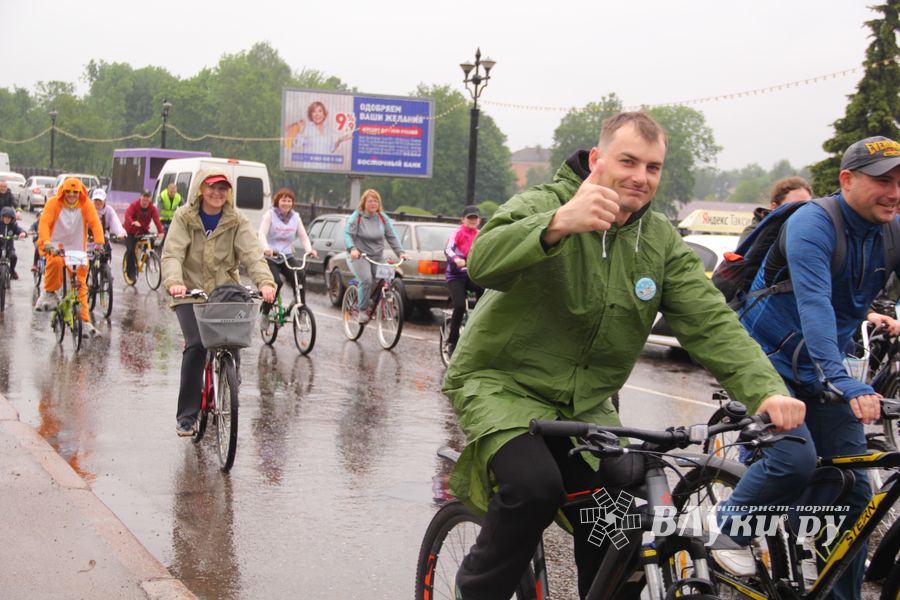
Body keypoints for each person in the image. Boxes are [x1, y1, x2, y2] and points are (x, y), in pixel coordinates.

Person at [443, 112, 805, 600]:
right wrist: (555, 225)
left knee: (617, 517)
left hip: (585, 406)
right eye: (628, 161)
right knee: (534, 488)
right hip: (502, 385)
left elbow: (711, 322)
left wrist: (766, 389)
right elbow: (483, 261)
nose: (640, 176)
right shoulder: (547, 202)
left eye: (652, 167)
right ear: (598, 159)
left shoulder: (658, 241)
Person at [717, 135, 900, 600]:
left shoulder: (892, 229)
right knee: (793, 458)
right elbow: (815, 304)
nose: (894, 192)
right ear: (847, 179)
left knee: (856, 490)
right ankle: (723, 535)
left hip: (822, 367)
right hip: (767, 361)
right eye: (883, 180)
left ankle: (821, 579)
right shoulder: (812, 223)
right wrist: (844, 381)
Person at [161, 170, 276, 436]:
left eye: (223, 188)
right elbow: (172, 254)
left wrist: (265, 283)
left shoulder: (236, 220)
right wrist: (175, 283)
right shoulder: (184, 217)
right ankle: (187, 416)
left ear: (229, 192)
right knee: (197, 345)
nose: (217, 193)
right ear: (201, 189)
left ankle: (228, 379)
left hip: (225, 293)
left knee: (232, 338)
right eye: (212, 187)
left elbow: (252, 254)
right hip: (191, 293)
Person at [34, 178, 105, 337]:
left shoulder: (86, 204)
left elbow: (95, 224)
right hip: (55, 244)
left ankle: (85, 322)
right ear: (63, 192)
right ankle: (49, 292)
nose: (72, 195)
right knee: (56, 261)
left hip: (77, 247)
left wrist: (99, 243)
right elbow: (44, 223)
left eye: (75, 192)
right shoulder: (53, 203)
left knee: (80, 284)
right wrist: (46, 242)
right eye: (68, 192)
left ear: (80, 192)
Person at [343, 189, 407, 323]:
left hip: (377, 256)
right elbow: (348, 234)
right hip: (360, 256)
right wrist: (352, 249)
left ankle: (375, 301)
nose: (373, 204)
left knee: (386, 277)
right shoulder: (357, 216)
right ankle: (361, 310)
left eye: (376, 201)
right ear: (364, 203)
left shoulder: (382, 218)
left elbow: (392, 236)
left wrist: (401, 252)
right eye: (370, 201)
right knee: (366, 279)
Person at [257, 187, 317, 317]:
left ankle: (300, 308)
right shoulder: (270, 215)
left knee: (300, 276)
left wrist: (309, 250)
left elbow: (303, 236)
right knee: (276, 283)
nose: (286, 203)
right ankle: (265, 313)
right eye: (283, 200)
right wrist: (266, 248)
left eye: (289, 201)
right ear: (277, 201)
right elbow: (261, 233)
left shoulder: (295, 217)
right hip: (271, 256)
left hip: (286, 255)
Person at [443, 204, 484, 356]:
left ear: (479, 220)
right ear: (463, 219)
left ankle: (477, 329)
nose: (473, 220)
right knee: (459, 306)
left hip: (472, 274)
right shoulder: (457, 233)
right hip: (456, 276)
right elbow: (448, 249)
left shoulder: (480, 234)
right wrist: (456, 259)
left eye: (476, 218)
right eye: (470, 218)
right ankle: (452, 341)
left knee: (484, 295)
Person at [738, 176, 813, 243]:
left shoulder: (814, 231)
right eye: (793, 206)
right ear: (774, 207)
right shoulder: (753, 233)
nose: (801, 211)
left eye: (806, 206)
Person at [123, 189, 164, 283]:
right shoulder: (134, 205)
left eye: (147, 197)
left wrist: (160, 231)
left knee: (152, 239)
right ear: (140, 197)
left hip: (143, 230)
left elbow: (157, 219)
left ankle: (146, 257)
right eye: (144, 196)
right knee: (130, 251)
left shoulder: (152, 208)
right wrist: (133, 222)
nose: (145, 199)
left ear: (150, 198)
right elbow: (127, 215)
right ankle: (131, 273)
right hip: (131, 231)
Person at [0, 206, 27, 279]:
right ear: (2, 217)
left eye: (9, 218)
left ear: (12, 218)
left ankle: (12, 271)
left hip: (9, 248)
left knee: (13, 257)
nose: (7, 219)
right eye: (5, 217)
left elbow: (19, 230)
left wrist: (22, 233)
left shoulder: (13, 225)